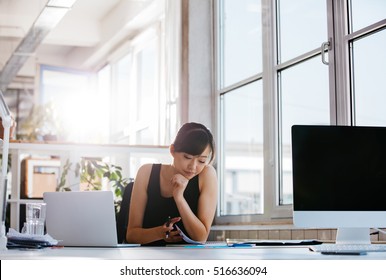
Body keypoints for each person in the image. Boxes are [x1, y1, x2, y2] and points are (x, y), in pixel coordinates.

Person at [126, 122, 217, 246]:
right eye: (187, 157)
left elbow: (201, 237)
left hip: (191, 260)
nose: (193, 167)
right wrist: (159, 233)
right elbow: (131, 235)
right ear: (172, 150)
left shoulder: (206, 174)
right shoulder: (146, 172)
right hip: (148, 257)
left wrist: (179, 198)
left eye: (201, 160)